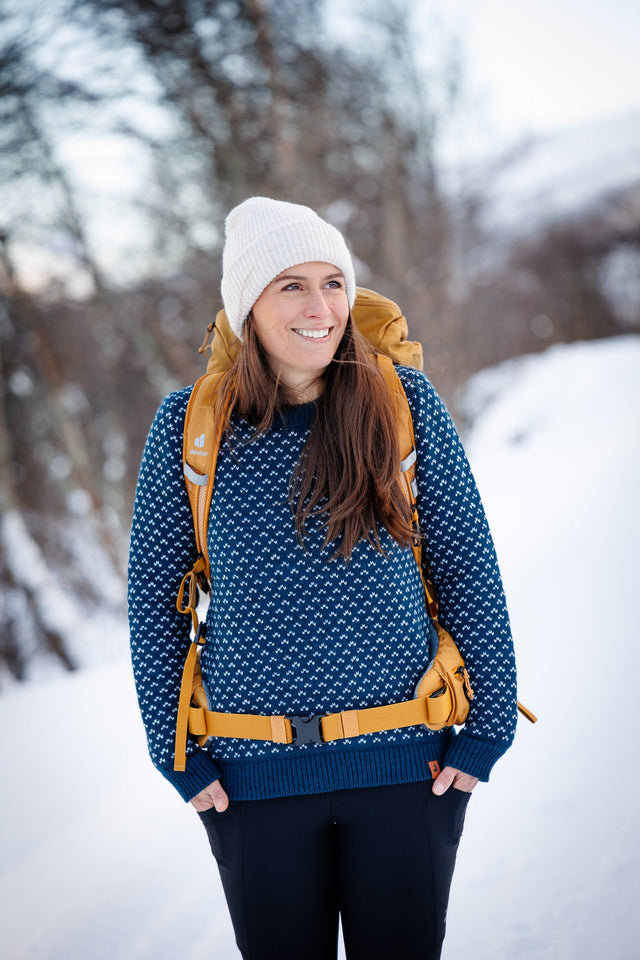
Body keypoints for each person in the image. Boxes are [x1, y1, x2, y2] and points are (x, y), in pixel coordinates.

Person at [128, 197, 518, 960]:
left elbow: (468, 567)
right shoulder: (188, 427)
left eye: (333, 282)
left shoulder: (403, 404)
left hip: (407, 766)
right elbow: (153, 603)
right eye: (292, 286)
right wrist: (173, 753)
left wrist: (489, 728)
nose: (321, 307)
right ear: (247, 305)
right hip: (250, 779)